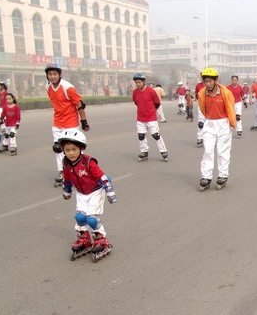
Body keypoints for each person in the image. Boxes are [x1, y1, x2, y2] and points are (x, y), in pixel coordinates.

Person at [58, 129, 118, 262]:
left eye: (74, 149)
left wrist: (109, 191)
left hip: (95, 192)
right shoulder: (66, 163)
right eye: (67, 150)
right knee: (80, 217)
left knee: (92, 219)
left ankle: (101, 239)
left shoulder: (88, 162)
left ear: (81, 148)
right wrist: (67, 190)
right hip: (81, 193)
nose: (71, 153)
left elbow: (102, 176)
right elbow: (67, 179)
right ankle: (84, 238)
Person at [46, 63, 90, 187]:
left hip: (71, 122)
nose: (52, 76)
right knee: (58, 148)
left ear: (60, 74)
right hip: (57, 122)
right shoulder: (48, 87)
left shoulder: (68, 87)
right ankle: (62, 172)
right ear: (47, 76)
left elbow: (79, 104)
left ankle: (80, 170)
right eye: (50, 74)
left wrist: (84, 122)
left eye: (55, 74)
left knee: (74, 148)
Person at [197, 68, 236, 191]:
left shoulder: (225, 92)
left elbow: (231, 107)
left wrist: (231, 121)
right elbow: (202, 108)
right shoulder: (202, 93)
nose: (207, 84)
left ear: (215, 80)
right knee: (208, 150)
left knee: (222, 151)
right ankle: (206, 177)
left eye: (210, 81)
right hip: (209, 124)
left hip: (223, 123)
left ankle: (222, 175)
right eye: (205, 81)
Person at [132, 73, 168, 162]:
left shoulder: (151, 91)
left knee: (155, 135)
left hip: (151, 117)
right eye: (136, 83)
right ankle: (144, 152)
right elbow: (136, 102)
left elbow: (157, 103)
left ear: (144, 81)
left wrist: (151, 111)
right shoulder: (135, 92)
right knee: (141, 136)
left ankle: (163, 151)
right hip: (140, 118)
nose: (137, 84)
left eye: (139, 82)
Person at [195, 75, 205, 147]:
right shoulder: (198, 85)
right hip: (201, 104)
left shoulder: (214, 85)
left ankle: (212, 138)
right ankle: (200, 138)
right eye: (202, 77)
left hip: (212, 106)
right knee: (201, 123)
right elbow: (196, 95)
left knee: (211, 122)